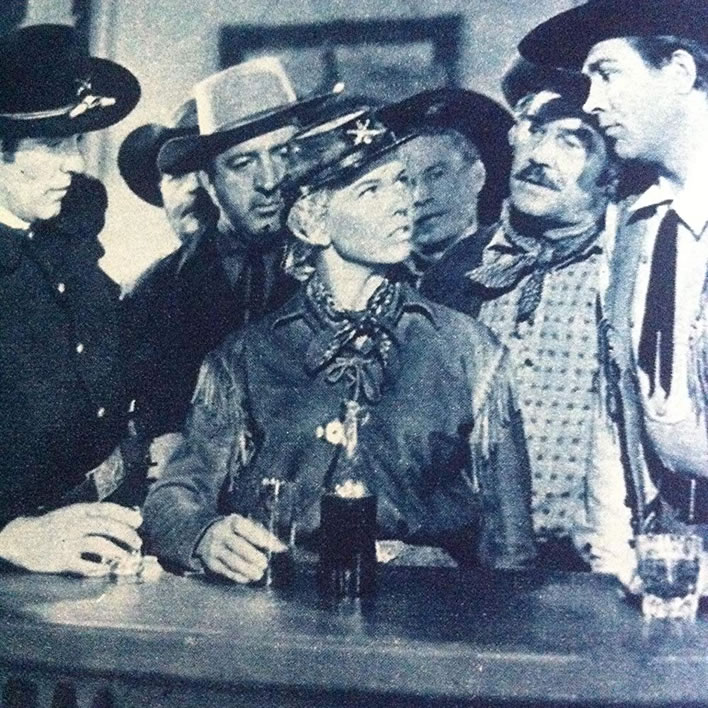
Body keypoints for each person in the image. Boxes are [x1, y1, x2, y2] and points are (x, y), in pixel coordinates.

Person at [142, 107, 537, 582]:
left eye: (401, 182)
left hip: (425, 617)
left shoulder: (468, 350)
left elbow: (510, 545)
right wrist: (203, 534)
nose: (401, 204)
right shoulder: (246, 357)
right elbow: (173, 499)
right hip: (283, 605)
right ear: (312, 224)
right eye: (371, 190)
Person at [421, 65, 626, 572]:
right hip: (470, 565)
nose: (539, 157)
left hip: (597, 568)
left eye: (573, 141)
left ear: (613, 170)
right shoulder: (457, 270)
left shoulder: (631, 272)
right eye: (534, 129)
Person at [520, 0, 708, 549]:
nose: (593, 103)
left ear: (679, 71)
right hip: (665, 549)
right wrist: (610, 557)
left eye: (607, 73)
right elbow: (615, 407)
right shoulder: (632, 222)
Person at [125, 58, 336, 440]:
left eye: (284, 154)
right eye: (243, 163)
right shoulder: (156, 293)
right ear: (207, 180)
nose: (270, 181)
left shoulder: (343, 270)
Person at [0, 24, 144, 575]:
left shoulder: (70, 239)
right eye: (55, 144)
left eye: (77, 142)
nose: (77, 163)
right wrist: (11, 536)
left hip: (101, 548)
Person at [380, 88, 512, 281]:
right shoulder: (382, 283)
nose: (419, 197)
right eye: (405, 181)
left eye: (436, 175)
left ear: (477, 176)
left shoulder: (506, 272)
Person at [118, 97, 217, 247]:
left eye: (209, 167)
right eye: (177, 173)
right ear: (159, 187)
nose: (194, 185)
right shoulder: (163, 271)